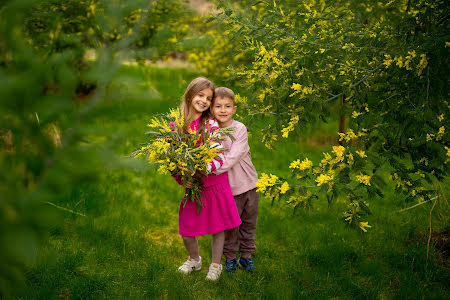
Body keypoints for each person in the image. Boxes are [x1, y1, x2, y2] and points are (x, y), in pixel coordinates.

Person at [172, 78, 241, 281]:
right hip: (194, 186)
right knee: (186, 228)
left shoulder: (209, 124)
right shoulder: (176, 126)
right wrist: (181, 178)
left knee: (217, 227)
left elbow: (218, 155)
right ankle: (195, 260)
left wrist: (201, 169)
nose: (203, 100)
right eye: (200, 95)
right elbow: (171, 159)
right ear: (190, 94)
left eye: (208, 98)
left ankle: (215, 264)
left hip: (215, 183)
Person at [211, 87, 259, 273]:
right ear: (212, 109)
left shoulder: (240, 129)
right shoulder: (211, 131)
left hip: (250, 185)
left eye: (227, 106)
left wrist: (211, 168)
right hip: (228, 189)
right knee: (230, 225)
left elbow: (234, 156)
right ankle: (230, 257)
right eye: (218, 106)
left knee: (248, 223)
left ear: (234, 109)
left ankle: (246, 256)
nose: (223, 110)